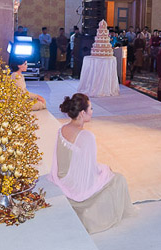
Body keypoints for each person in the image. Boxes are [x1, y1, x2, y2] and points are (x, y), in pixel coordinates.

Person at [48, 94, 133, 233]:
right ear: (82, 113)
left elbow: (64, 160)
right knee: (118, 179)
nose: (92, 112)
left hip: (60, 177)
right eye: (91, 109)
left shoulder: (62, 129)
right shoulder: (86, 136)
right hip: (74, 183)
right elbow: (89, 170)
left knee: (108, 174)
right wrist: (105, 169)